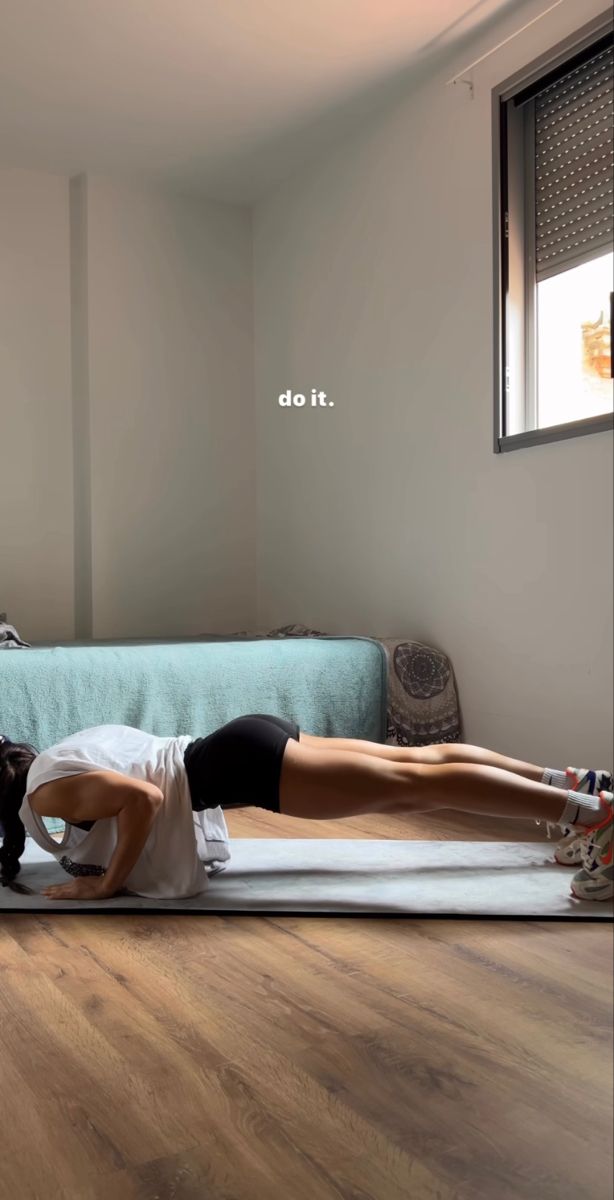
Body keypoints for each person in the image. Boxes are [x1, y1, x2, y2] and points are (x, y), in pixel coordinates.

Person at [1, 716, 612, 902]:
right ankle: (573, 785)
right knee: (420, 763)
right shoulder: (59, 752)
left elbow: (144, 799)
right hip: (243, 737)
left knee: (418, 786)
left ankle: (594, 815)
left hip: (241, 765)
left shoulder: (45, 791)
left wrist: (105, 886)